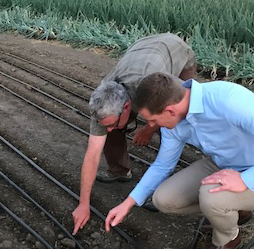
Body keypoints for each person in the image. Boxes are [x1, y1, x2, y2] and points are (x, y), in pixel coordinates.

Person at [104, 72, 254, 249]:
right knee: (163, 200)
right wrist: (129, 202)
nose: (150, 125)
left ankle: (227, 240)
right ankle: (234, 209)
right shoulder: (174, 123)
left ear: (169, 110)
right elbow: (162, 165)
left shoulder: (228, 100)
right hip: (222, 165)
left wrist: (246, 179)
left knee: (211, 196)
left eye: (152, 120)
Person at [72, 33, 197, 235]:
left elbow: (176, 107)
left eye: (112, 123)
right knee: (112, 131)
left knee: (174, 119)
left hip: (176, 50)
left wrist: (149, 129)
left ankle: (163, 189)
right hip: (142, 46)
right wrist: (83, 204)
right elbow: (93, 153)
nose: (108, 128)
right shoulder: (104, 98)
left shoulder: (150, 86)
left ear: (128, 106)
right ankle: (120, 171)